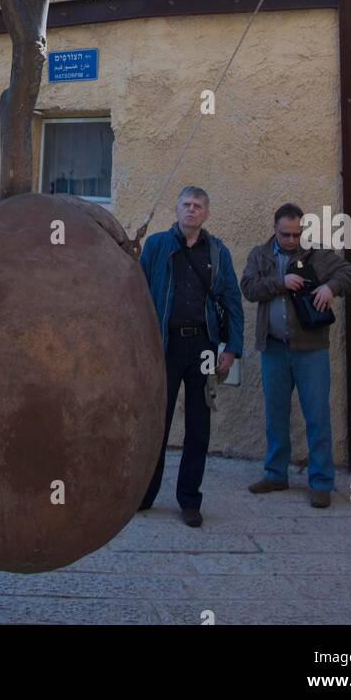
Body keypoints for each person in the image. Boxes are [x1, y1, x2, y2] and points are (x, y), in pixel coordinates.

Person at [241, 202, 351, 508]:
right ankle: (275, 474)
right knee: (276, 416)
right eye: (286, 234)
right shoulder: (260, 255)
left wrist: (330, 288)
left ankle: (321, 482)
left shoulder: (317, 256)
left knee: (317, 416)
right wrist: (280, 282)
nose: (292, 240)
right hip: (274, 348)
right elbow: (249, 288)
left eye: (297, 234)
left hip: (311, 350)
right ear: (275, 229)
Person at [137, 186, 243, 526]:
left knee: (200, 425)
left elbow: (232, 301)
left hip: (205, 346)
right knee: (157, 423)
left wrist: (232, 349)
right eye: (186, 204)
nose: (191, 210)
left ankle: (189, 500)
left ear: (206, 213)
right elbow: (137, 294)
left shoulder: (218, 251)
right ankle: (144, 494)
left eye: (198, 206)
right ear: (177, 209)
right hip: (164, 346)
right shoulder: (156, 246)